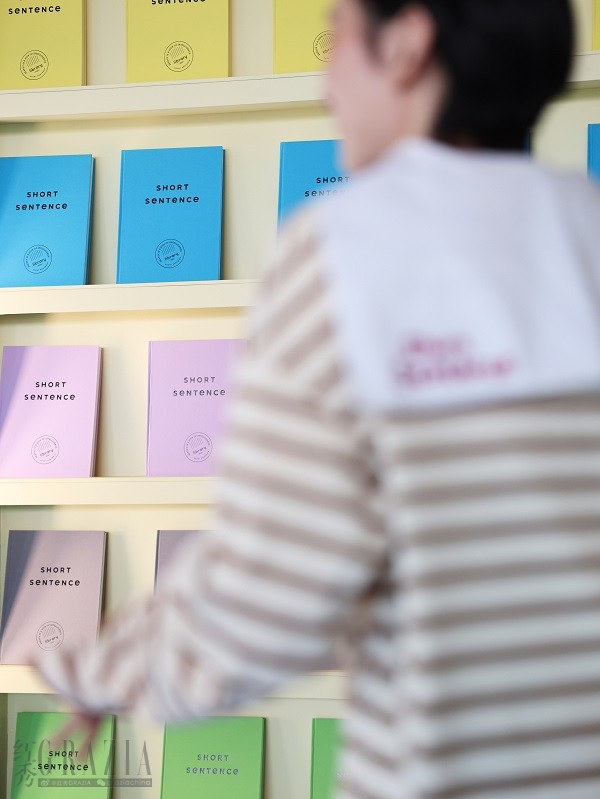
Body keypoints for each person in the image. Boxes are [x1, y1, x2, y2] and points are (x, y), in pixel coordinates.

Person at [36, 0, 600, 797]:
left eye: (336, 34)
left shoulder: (342, 253)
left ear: (407, 43)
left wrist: (102, 668)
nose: (323, 82)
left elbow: (271, 588)